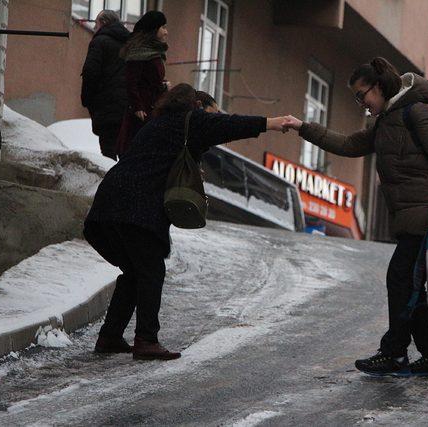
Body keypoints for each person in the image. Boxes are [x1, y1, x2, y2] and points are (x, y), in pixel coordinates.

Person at [283, 57, 428, 378]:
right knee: (408, 285)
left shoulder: (417, 112)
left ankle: (394, 353)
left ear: (379, 87)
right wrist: (304, 128)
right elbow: (350, 144)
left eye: (362, 94)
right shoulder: (387, 120)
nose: (361, 102)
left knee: (401, 279)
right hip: (413, 215)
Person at [84, 83, 289, 360]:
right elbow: (230, 125)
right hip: (133, 207)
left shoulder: (160, 125)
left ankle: (110, 336)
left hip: (108, 204)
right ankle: (146, 340)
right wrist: (273, 123)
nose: (214, 120)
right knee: (151, 271)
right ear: (199, 108)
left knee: (136, 272)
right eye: (212, 114)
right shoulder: (191, 121)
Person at [115, 11, 170, 156]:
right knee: (136, 151)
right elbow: (131, 81)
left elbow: (149, 79)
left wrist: (163, 85)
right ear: (154, 29)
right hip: (142, 114)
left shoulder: (154, 52)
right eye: (163, 27)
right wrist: (137, 106)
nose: (166, 32)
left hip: (152, 109)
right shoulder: (139, 52)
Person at [80, 10, 130, 160]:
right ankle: (124, 182)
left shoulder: (99, 41)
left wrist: (87, 99)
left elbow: (90, 72)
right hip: (127, 108)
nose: (94, 27)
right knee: (124, 152)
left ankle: (111, 182)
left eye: (96, 23)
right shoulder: (130, 44)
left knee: (108, 154)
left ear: (104, 23)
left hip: (106, 106)